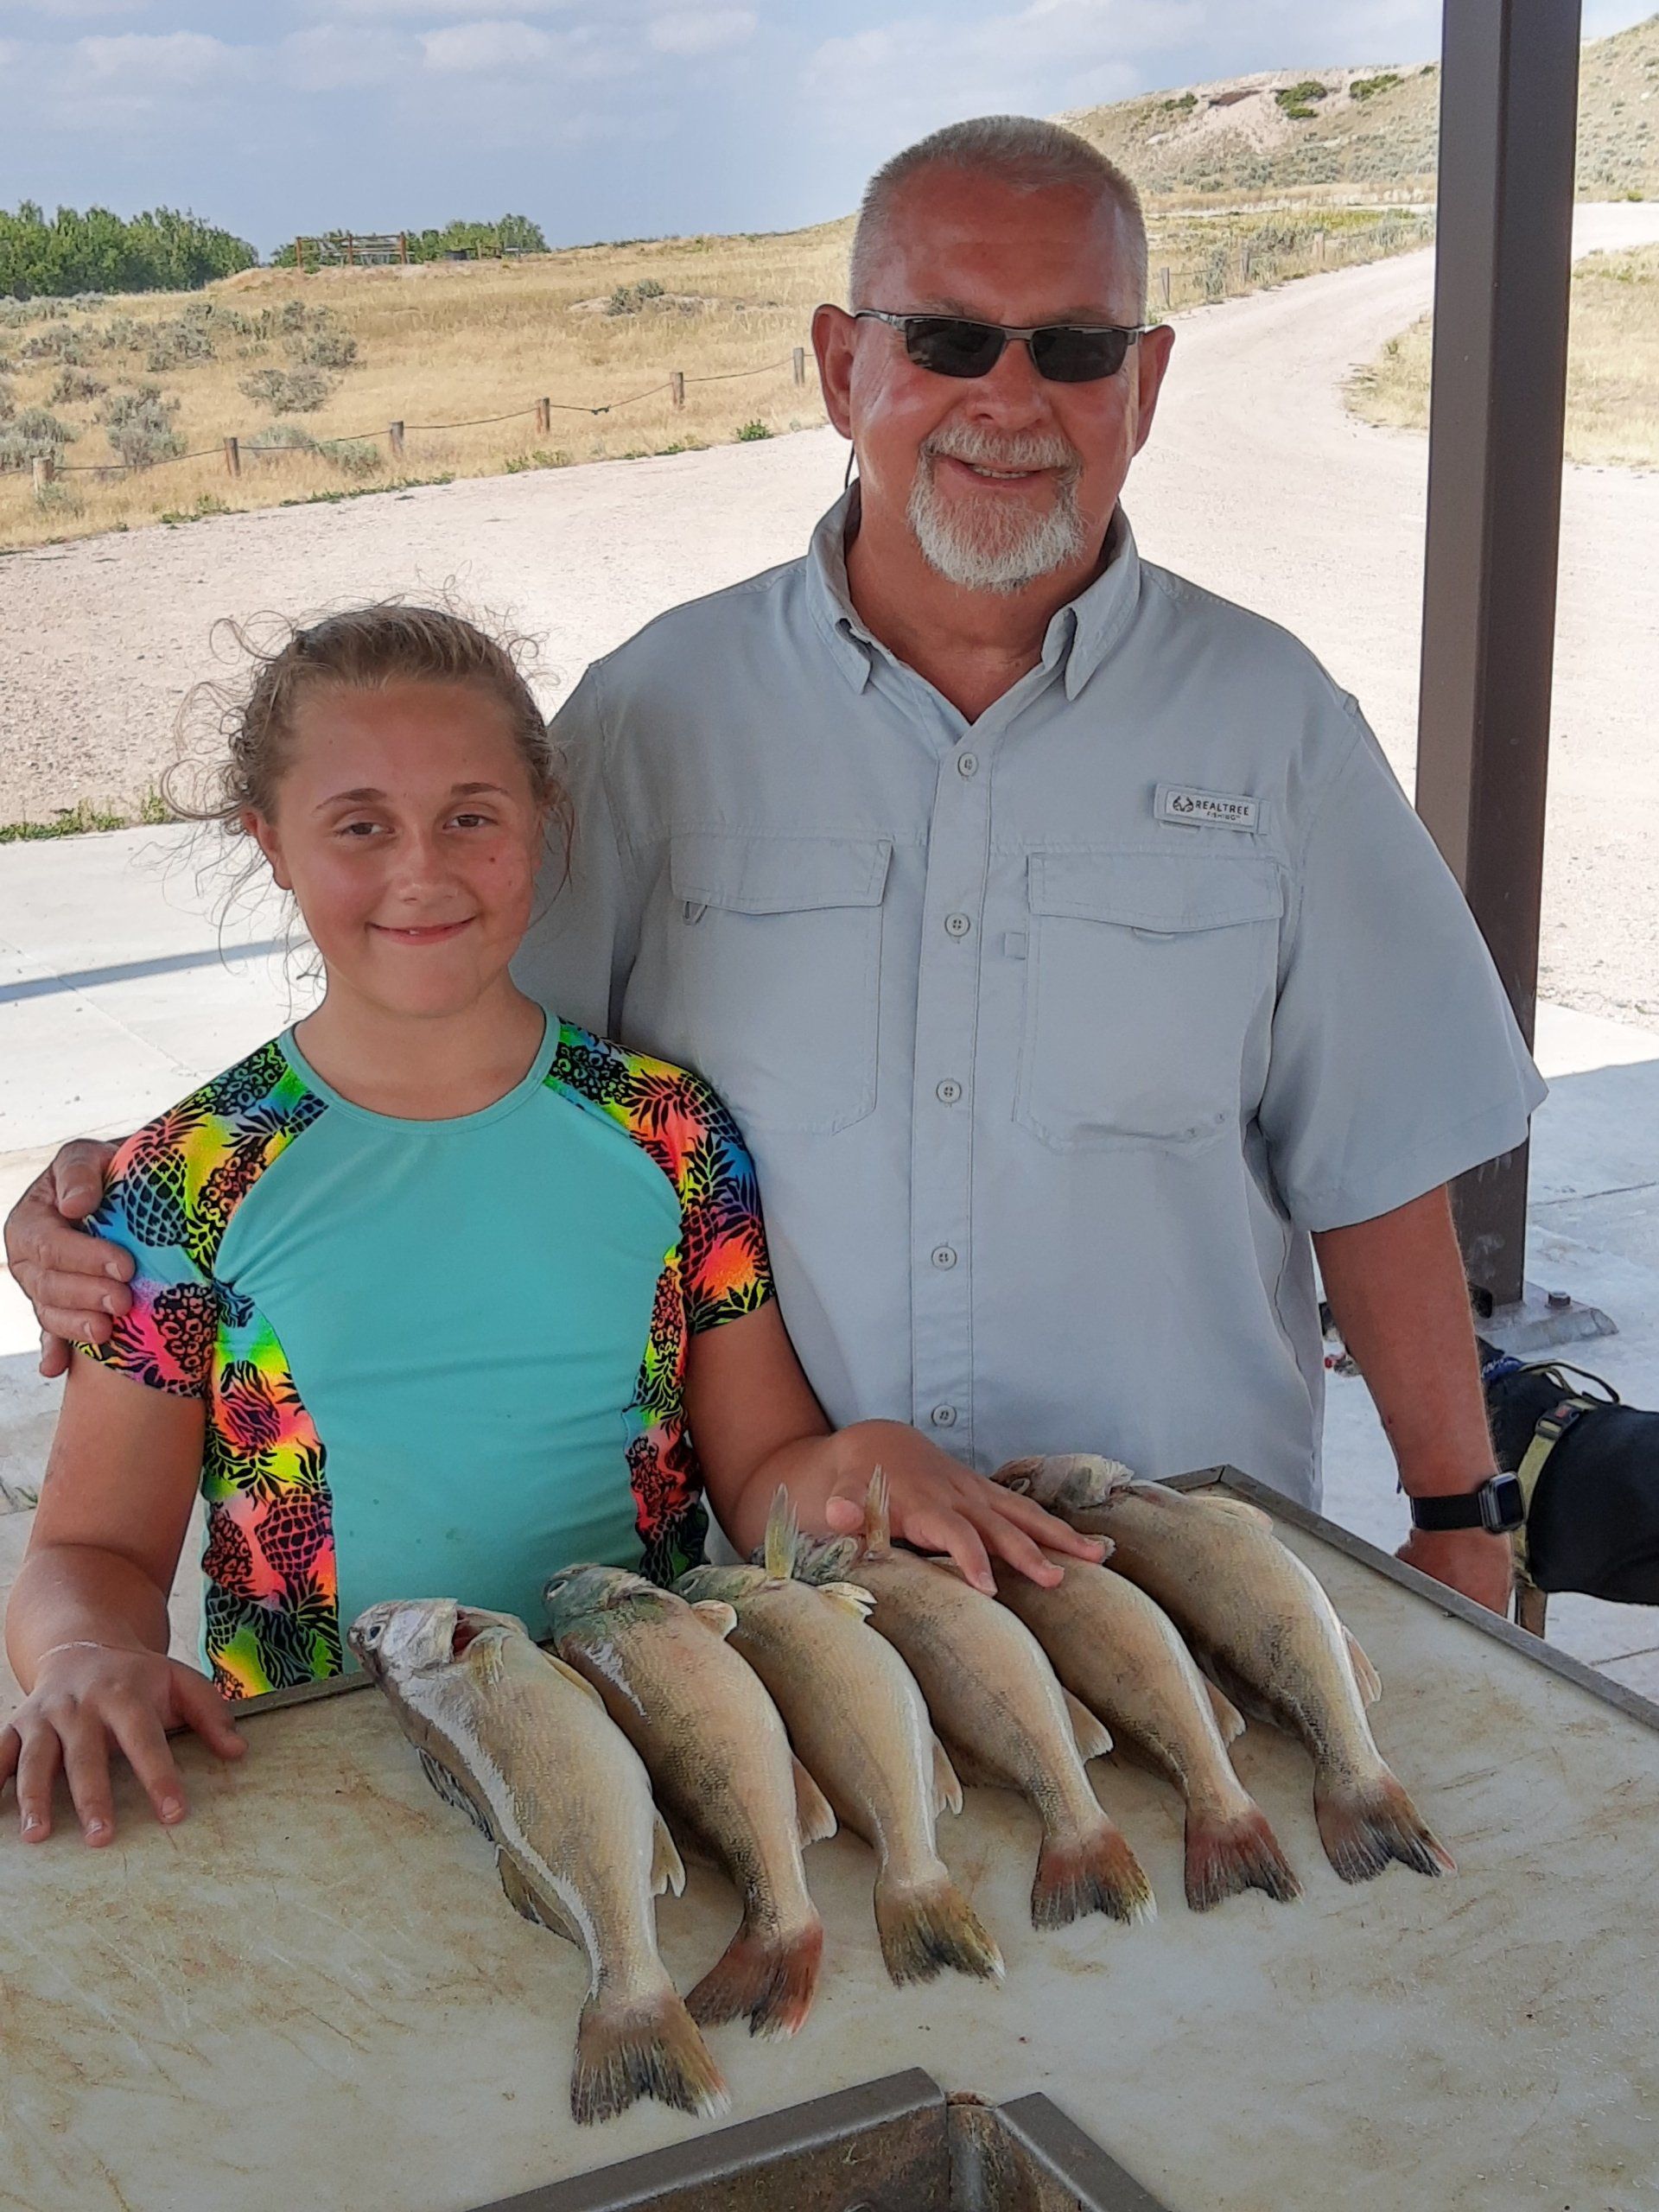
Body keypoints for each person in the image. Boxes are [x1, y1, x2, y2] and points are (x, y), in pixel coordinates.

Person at [7, 118, 1541, 1618]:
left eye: (1075, 349)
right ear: (839, 367)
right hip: (788, 1637)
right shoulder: (657, 714)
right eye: (949, 338)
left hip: (1181, 1591)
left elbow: (1380, 1156)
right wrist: (130, 1208)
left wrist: (1460, 1515)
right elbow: (445, 1042)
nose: (1010, 397)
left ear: (1142, 386)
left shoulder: (1277, 727)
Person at [0, 606, 1097, 1849]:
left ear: (543, 820)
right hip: (326, 1799)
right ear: (272, 844)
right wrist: (80, 1655)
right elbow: (93, 1548)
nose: (422, 869)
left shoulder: (670, 1134)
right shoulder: (181, 1182)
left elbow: (762, 1475)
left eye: (471, 817)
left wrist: (865, 1463)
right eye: (361, 826)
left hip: (655, 1765)